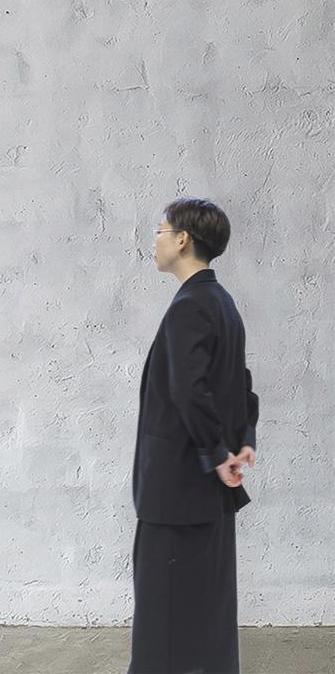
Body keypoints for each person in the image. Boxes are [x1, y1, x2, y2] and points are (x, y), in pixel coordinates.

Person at [127, 197, 259, 674]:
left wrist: (217, 452)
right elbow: (240, 384)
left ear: (183, 239)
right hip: (208, 492)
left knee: (162, 619)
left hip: (177, 491)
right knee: (208, 613)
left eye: (160, 231)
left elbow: (189, 388)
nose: (155, 241)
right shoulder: (222, 303)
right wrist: (243, 442)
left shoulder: (190, 306)